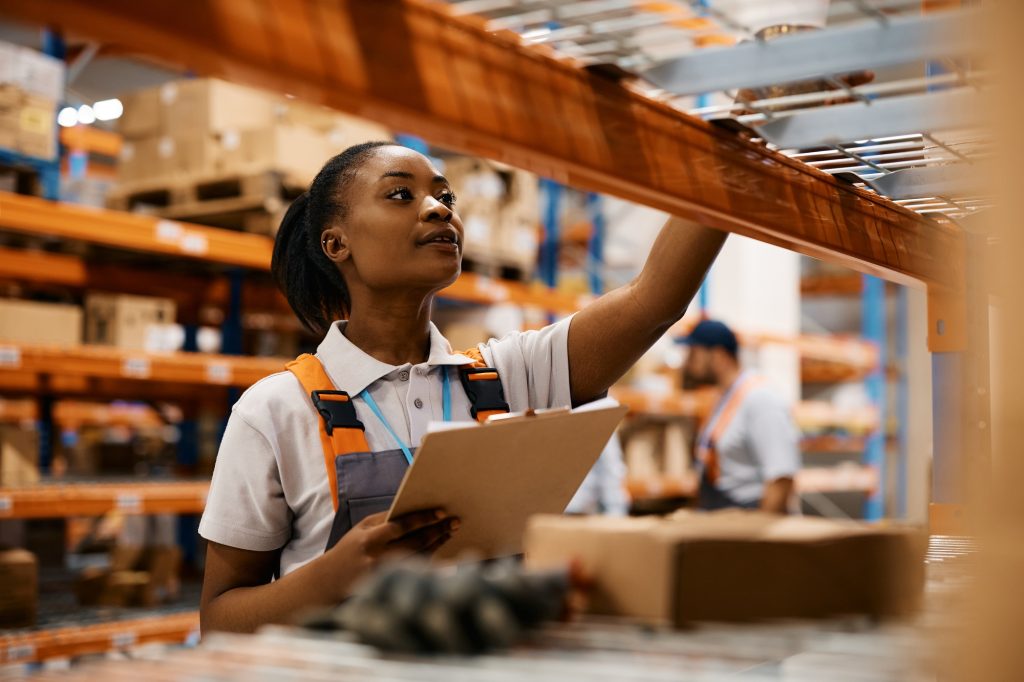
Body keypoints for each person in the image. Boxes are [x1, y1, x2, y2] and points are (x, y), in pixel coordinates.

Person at [198, 141, 726, 633]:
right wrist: (328, 580)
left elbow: (654, 299)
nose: (438, 208)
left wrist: (725, 166)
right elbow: (219, 617)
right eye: (401, 194)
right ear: (336, 243)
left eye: (445, 195)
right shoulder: (274, 412)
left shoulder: (511, 376)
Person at [682, 319, 800, 513]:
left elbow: (781, 478)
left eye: (694, 354)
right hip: (725, 517)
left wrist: (758, 538)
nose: (687, 363)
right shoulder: (723, 400)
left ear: (718, 356)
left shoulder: (760, 400)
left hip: (749, 519)